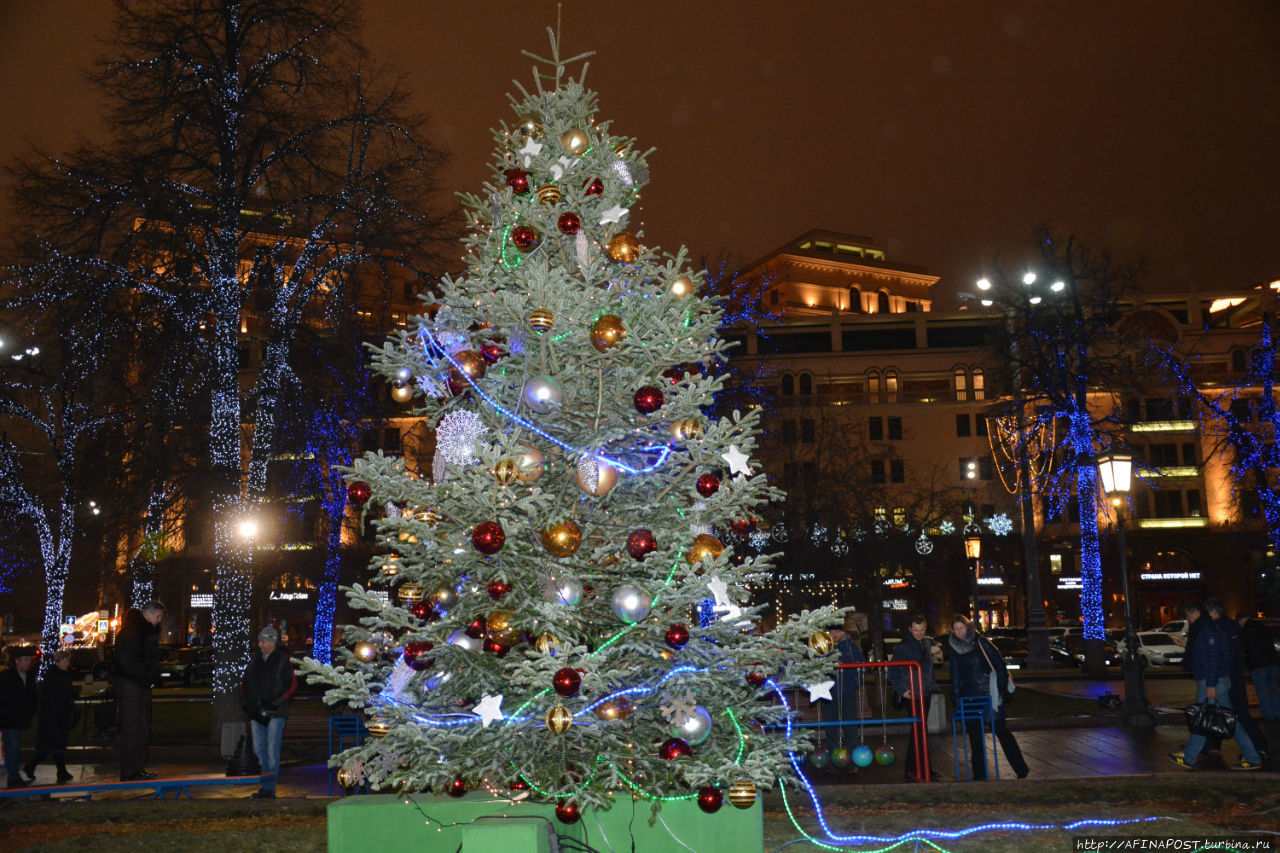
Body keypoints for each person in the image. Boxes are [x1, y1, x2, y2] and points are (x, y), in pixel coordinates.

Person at [1168, 598, 1264, 771]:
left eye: (1188, 616)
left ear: (1194, 613)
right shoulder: (1211, 628)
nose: (1188, 619)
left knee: (1204, 718)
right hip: (1217, 681)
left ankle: (1189, 757)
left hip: (1211, 682)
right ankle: (1252, 757)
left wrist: (1211, 685)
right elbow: (1216, 654)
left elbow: (1214, 659)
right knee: (1227, 720)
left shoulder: (1207, 629)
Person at [948, 614, 1028, 780]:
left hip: (989, 693)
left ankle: (1021, 769)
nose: (959, 632)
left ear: (967, 627)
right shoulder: (954, 649)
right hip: (969, 696)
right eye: (956, 629)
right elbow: (954, 675)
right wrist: (956, 698)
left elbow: (999, 664)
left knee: (1001, 731)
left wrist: (1001, 688)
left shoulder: (981, 642)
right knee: (975, 739)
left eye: (961, 628)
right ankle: (980, 776)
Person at [239, 625, 297, 798]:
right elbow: (245, 684)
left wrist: (275, 704)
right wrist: (247, 704)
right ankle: (266, 786)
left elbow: (291, 686)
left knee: (271, 751)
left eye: (263, 641)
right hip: (257, 712)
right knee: (260, 751)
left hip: (275, 713)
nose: (260, 645)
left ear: (271, 642)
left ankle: (269, 788)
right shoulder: (255, 661)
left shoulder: (282, 661)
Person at [112, 600, 164, 781]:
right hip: (132, 685)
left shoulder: (137, 633)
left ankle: (136, 768)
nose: (159, 620)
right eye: (158, 616)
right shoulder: (132, 634)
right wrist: (147, 675)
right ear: (148, 614)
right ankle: (130, 770)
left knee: (141, 728)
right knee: (133, 728)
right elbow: (127, 661)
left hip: (137, 684)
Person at [890, 614, 940, 781]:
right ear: (910, 629)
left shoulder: (925, 643)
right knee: (918, 730)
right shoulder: (903, 647)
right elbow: (893, 671)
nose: (919, 633)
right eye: (916, 630)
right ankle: (915, 768)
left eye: (922, 630)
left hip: (924, 691)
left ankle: (921, 768)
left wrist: (930, 685)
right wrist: (903, 690)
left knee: (921, 730)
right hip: (912, 693)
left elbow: (928, 669)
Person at [25, 649, 78, 784]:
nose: (67, 664)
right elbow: (55, 698)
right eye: (65, 661)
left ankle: (33, 767)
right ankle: (60, 772)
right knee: (55, 745)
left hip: (55, 716)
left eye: (68, 661)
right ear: (59, 662)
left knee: (50, 746)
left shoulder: (57, 675)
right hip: (54, 716)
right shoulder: (56, 677)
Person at [820, 616, 866, 754]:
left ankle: (852, 760)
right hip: (827, 693)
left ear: (843, 632)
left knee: (851, 727)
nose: (834, 635)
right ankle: (834, 762)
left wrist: (854, 684)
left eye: (838, 631)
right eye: (831, 632)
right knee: (831, 729)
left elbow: (862, 667)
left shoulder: (851, 647)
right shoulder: (822, 647)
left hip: (847, 692)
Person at [0, 645, 39, 788]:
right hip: (8, 719)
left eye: (29, 660)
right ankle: (14, 776)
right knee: (12, 747)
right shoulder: (6, 677)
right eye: (26, 659)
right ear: (17, 661)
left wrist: (32, 710)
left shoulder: (29, 676)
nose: (28, 662)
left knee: (14, 746)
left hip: (19, 718)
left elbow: (31, 695)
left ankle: (14, 776)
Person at [1238, 611, 1280, 721]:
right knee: (1272, 688)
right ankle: (1277, 711)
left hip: (1258, 664)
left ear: (1241, 621)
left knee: (1261, 691)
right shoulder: (1263, 627)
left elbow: (1243, 648)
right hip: (1271, 662)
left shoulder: (1246, 631)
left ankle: (1268, 714)